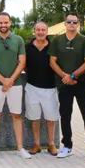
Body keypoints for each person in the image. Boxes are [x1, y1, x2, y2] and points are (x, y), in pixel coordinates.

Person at [49, 12, 85, 159]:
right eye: (69, 21)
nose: (71, 24)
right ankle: (67, 145)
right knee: (65, 115)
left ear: (78, 24)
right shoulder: (57, 40)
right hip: (64, 84)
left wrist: (72, 76)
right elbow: (52, 61)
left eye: (74, 22)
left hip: (81, 83)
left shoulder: (84, 40)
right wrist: (64, 76)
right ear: (65, 23)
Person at [0, 12, 31, 159]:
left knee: (16, 115)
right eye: (1, 23)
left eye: (6, 22)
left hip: (15, 84)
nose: (3, 25)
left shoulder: (18, 40)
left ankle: (20, 148)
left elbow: (22, 62)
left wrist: (10, 80)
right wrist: (3, 80)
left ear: (10, 23)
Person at [24, 21, 59, 156]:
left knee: (51, 118)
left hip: (49, 88)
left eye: (43, 30)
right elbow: (24, 66)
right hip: (32, 87)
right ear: (34, 31)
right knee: (35, 118)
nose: (40, 32)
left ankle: (51, 144)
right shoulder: (27, 48)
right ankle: (36, 144)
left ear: (47, 31)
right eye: (38, 30)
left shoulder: (52, 47)